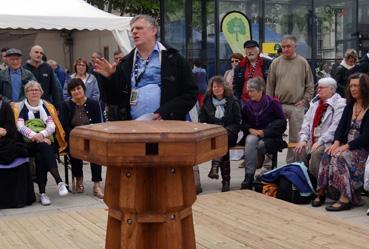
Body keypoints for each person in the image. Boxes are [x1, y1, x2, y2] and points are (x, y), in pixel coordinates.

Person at [94, 14, 197, 121]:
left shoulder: (175, 59)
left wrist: (166, 112)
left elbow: (190, 94)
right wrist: (109, 78)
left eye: (139, 28)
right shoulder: (125, 63)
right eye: (132, 29)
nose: (134, 32)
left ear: (153, 31)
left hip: (166, 127)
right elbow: (113, 100)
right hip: (133, 128)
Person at [314, 73, 369, 211]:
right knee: (328, 153)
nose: (353, 89)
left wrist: (346, 146)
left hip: (362, 147)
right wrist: (337, 142)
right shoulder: (349, 105)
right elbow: (340, 127)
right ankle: (321, 191)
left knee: (340, 157)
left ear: (365, 87)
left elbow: (367, 136)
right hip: (345, 145)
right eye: (351, 86)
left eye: (356, 85)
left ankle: (345, 198)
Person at [14, 81, 68, 206]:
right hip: (27, 144)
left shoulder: (47, 106)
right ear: (26, 93)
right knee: (44, 147)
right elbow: (20, 126)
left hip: (45, 141)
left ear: (41, 92)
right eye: (30, 90)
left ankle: (43, 194)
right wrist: (36, 136)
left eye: (37, 90)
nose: (34, 92)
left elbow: (52, 126)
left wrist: (42, 135)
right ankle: (59, 181)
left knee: (41, 155)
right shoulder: (20, 107)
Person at [266, 34, 314, 163]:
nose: (285, 49)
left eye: (288, 46)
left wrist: (305, 100)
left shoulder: (302, 62)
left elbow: (310, 85)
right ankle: (269, 164)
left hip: (296, 105)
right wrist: (270, 104)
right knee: (273, 134)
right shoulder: (275, 63)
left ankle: (292, 165)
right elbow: (270, 85)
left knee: (296, 137)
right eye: (283, 47)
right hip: (278, 105)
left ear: (295, 47)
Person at [294, 77, 346, 181]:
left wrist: (320, 141)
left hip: (330, 141)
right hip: (314, 138)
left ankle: (320, 185)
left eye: (321, 88)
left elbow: (335, 128)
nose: (318, 90)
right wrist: (303, 139)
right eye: (318, 87)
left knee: (316, 153)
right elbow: (306, 122)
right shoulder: (315, 103)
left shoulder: (340, 104)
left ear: (331, 89)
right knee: (299, 149)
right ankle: (304, 182)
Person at [60, 78, 104, 198]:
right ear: (70, 93)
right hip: (74, 137)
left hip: (91, 136)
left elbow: (97, 123)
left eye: (78, 88)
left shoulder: (94, 104)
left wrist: (88, 134)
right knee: (75, 152)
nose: (76, 91)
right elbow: (64, 125)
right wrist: (76, 134)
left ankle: (96, 184)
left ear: (83, 89)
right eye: (73, 90)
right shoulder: (66, 105)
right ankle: (79, 179)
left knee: (95, 154)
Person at [240, 77, 286, 189]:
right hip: (254, 133)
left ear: (260, 91)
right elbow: (243, 122)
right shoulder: (247, 105)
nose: (249, 94)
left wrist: (265, 132)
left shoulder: (273, 103)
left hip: (270, 135)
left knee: (260, 146)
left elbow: (282, 122)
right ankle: (249, 176)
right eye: (248, 91)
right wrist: (250, 130)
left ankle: (265, 172)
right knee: (250, 141)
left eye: (252, 91)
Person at [198, 76, 241, 192]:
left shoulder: (233, 101)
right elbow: (201, 121)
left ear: (224, 88)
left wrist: (224, 130)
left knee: (223, 138)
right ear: (211, 88)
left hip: (230, 133)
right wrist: (211, 128)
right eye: (214, 86)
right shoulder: (207, 102)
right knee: (222, 143)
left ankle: (215, 167)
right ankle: (225, 181)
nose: (217, 89)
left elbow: (238, 122)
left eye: (219, 86)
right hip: (212, 136)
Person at [0, 95, 36, 208]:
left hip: (5, 141)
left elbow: (12, 129)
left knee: (17, 152)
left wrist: (5, 131)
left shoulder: (5, 107)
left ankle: (18, 199)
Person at [233, 40, 272, 105]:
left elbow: (273, 82)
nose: (250, 51)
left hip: (263, 101)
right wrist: (237, 100)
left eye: (252, 49)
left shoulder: (268, 63)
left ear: (258, 51)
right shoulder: (240, 66)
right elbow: (236, 85)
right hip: (244, 102)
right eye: (247, 50)